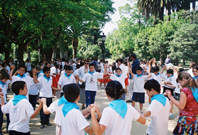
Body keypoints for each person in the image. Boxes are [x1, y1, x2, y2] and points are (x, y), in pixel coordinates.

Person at [0, 69, 10, 134]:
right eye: (5, 79)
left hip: (5, 102)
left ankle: (9, 129)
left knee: (9, 116)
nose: (6, 81)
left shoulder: (5, 83)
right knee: (0, 118)